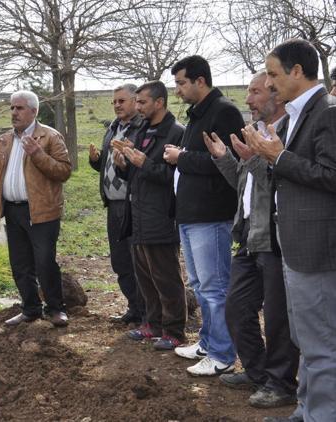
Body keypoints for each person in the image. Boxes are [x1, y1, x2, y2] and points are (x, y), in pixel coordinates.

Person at [243, 39, 336, 422]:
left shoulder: (327, 112)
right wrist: (267, 158)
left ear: (298, 71)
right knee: (304, 339)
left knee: (322, 343)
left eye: (274, 73)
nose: (269, 81)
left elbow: (331, 175)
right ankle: (306, 407)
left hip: (316, 250)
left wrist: (278, 157)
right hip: (293, 244)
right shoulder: (297, 113)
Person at [202, 72, 298, 409]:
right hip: (249, 238)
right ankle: (259, 374)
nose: (248, 100)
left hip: (274, 240)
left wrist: (256, 158)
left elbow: (282, 185)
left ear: (276, 95)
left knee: (276, 319)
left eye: (255, 92)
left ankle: (281, 383)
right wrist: (225, 159)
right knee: (237, 309)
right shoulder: (257, 133)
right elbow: (244, 189)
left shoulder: (286, 134)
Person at [164, 55, 244, 376]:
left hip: (211, 213)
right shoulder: (198, 113)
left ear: (200, 81)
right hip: (191, 214)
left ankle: (223, 354)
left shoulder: (223, 111)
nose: (178, 90)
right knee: (200, 285)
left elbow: (226, 162)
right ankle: (208, 343)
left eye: (182, 82)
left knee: (214, 287)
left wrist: (180, 157)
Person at [0, 90, 72, 327]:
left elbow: (63, 172)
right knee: (20, 263)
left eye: (19, 108)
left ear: (34, 111)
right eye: (12, 108)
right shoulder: (4, 140)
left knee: (44, 262)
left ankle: (56, 309)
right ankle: (30, 308)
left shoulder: (50, 137)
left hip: (41, 211)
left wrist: (38, 154)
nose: (14, 113)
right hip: (12, 209)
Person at [112, 81, 187, 350]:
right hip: (138, 215)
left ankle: (175, 330)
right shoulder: (142, 130)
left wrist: (145, 163)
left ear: (159, 102)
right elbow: (135, 173)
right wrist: (123, 166)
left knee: (166, 277)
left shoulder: (177, 133)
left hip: (160, 215)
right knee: (145, 276)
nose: (138, 107)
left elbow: (174, 177)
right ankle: (152, 324)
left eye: (142, 102)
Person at [88, 84, 145, 325]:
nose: (117, 105)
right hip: (113, 204)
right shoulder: (112, 129)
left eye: (122, 101)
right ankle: (134, 307)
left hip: (135, 204)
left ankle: (148, 311)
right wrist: (96, 162)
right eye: (114, 102)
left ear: (135, 101)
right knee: (120, 260)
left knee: (139, 260)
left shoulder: (143, 128)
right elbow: (108, 165)